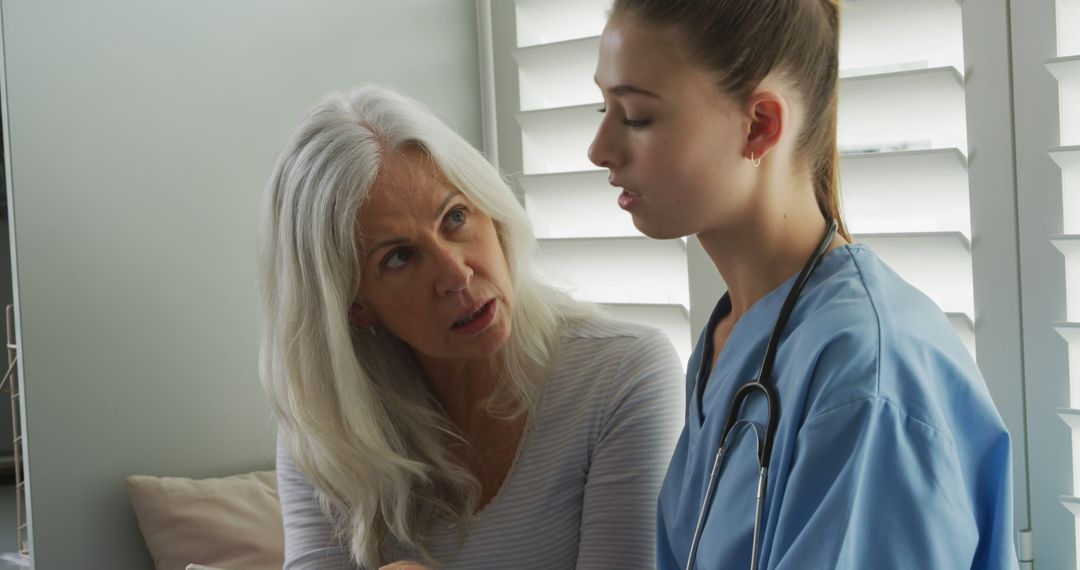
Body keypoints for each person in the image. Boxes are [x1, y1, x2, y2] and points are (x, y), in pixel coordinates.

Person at [587, 1, 1018, 568]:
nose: (599, 150)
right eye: (604, 107)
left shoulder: (865, 374)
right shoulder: (732, 337)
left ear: (761, 125)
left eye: (636, 116)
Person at [258, 85, 684, 569]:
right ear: (356, 306)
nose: (457, 275)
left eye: (455, 217)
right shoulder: (327, 425)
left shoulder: (622, 375)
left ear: (492, 212)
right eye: (400, 257)